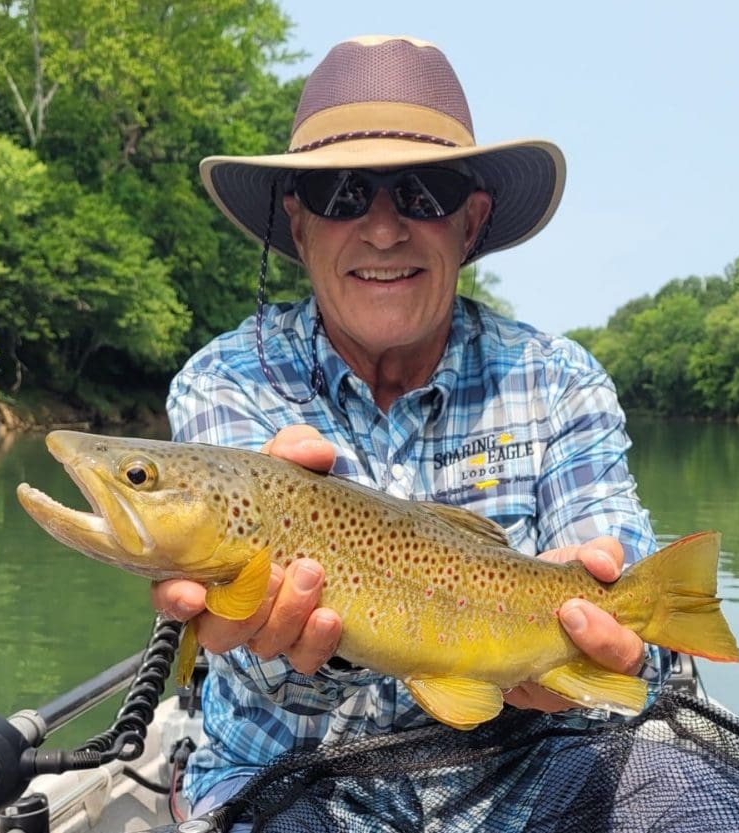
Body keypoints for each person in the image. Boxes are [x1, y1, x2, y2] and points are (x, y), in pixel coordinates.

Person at [152, 35, 668, 830]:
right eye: (343, 192)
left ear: (472, 218)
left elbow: (648, 644)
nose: (384, 229)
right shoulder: (227, 383)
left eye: (423, 191)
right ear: (298, 226)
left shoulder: (559, 379)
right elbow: (257, 654)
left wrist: (608, 641)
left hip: (524, 773)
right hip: (281, 773)